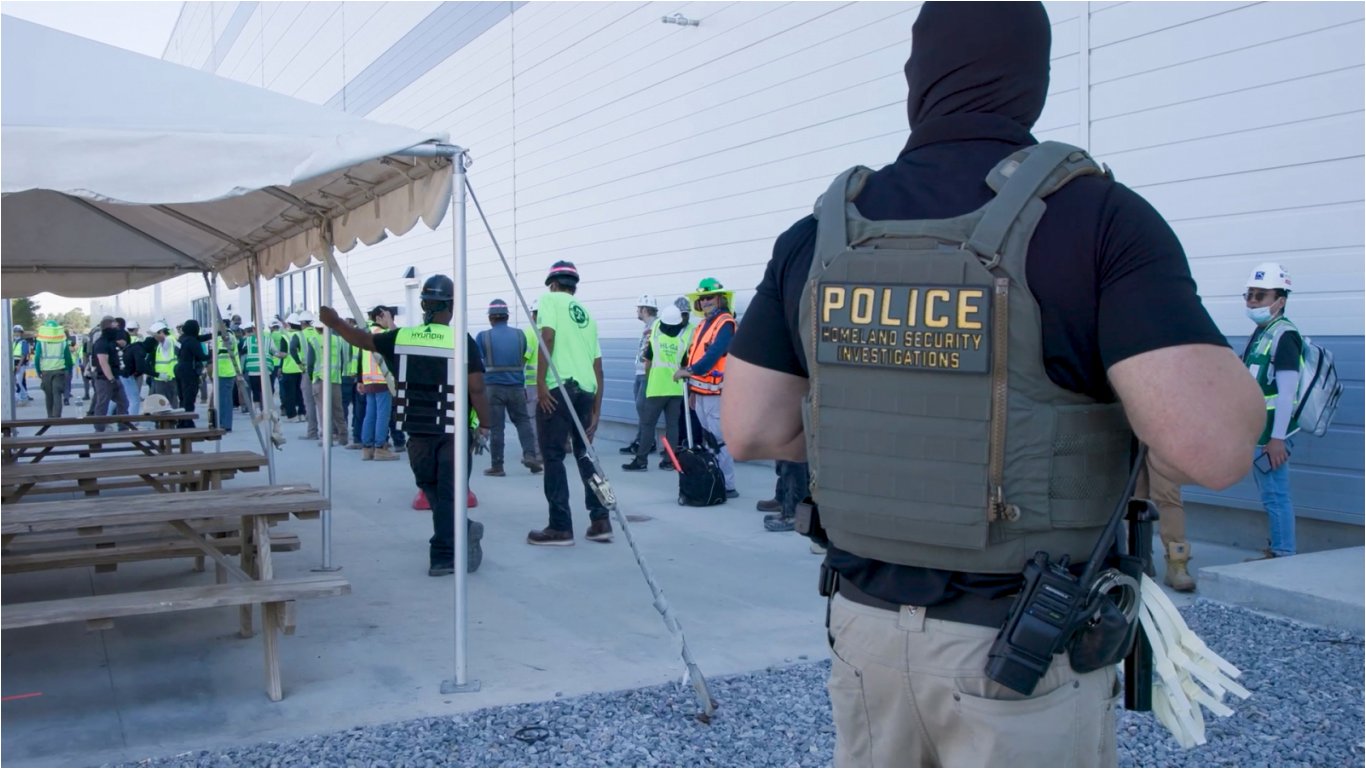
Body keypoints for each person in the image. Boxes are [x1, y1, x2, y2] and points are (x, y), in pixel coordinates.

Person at [719, 5, 1265, 766]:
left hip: (864, 632)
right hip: (1025, 650)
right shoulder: (1100, 219)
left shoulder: (818, 235)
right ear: (1033, 81)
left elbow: (751, 429)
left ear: (916, 79)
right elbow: (1212, 449)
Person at [319, 275, 491, 576]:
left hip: (417, 432)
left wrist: (334, 322)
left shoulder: (402, 337)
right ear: (451, 307)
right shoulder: (461, 340)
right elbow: (476, 388)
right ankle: (454, 541)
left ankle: (444, 551)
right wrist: (486, 425)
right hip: (452, 432)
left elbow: (362, 339)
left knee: (432, 488)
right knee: (450, 492)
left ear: (423, 305)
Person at [527, 260, 611, 546]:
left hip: (558, 389)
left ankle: (560, 526)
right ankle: (601, 520)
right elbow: (598, 366)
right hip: (586, 392)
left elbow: (547, 337)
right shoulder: (587, 316)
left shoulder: (549, 300)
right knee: (587, 457)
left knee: (552, 457)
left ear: (552, 284)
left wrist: (540, 382)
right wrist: (597, 410)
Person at [1241, 261, 1302, 560]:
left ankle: (1283, 554)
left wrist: (1277, 439)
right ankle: (1277, 549)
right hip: (1261, 431)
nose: (1252, 301)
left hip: (1273, 436)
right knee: (1271, 494)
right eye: (1249, 294)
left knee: (1276, 495)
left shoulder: (1284, 335)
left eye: (1260, 295)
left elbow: (1287, 393)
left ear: (1280, 300)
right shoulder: (1262, 331)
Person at [675, 277, 740, 499]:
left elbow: (713, 355)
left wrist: (690, 371)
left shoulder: (725, 323)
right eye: (702, 299)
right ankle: (713, 479)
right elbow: (695, 354)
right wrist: (693, 389)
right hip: (702, 392)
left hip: (717, 393)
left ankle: (727, 484)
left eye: (709, 297)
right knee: (708, 438)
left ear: (720, 298)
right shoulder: (703, 324)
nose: (705, 302)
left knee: (718, 440)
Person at [476, 299, 542, 476]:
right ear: (506, 316)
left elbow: (478, 364)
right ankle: (530, 455)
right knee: (523, 421)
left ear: (491, 318)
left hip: (493, 388)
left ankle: (497, 466)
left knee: (497, 426)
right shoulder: (520, 335)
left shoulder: (483, 337)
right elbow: (522, 357)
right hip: (517, 387)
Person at [623, 302, 688, 471]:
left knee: (647, 424)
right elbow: (684, 366)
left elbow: (647, 364)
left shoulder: (655, 341)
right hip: (675, 390)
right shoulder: (682, 343)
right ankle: (668, 461)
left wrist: (650, 379)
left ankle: (641, 461)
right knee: (672, 426)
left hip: (657, 389)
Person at [1134, 456, 1195, 590]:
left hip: (1161, 444)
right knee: (1134, 496)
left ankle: (1177, 564)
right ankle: (1138, 558)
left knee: (1168, 495)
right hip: (1126, 442)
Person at [621, 295, 659, 457]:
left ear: (645, 309)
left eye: (638, 308)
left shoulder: (656, 325)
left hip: (646, 373)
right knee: (641, 409)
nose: (637, 311)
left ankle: (647, 443)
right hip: (640, 372)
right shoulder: (648, 326)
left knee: (643, 408)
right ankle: (641, 440)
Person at [90, 316, 128, 431]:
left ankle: (123, 427)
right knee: (102, 405)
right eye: (114, 327)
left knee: (123, 402)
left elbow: (122, 345)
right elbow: (103, 363)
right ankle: (99, 429)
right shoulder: (101, 343)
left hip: (114, 377)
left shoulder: (111, 342)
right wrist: (111, 379)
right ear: (108, 328)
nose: (117, 329)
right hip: (104, 379)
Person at [175, 319, 211, 428]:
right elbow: (202, 356)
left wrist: (212, 335)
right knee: (189, 397)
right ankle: (188, 421)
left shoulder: (182, 339)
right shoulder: (192, 341)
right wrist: (212, 353)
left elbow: (198, 338)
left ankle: (181, 421)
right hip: (189, 370)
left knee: (182, 397)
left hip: (179, 368)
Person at [33, 319, 71, 418]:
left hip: (46, 372)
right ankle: (57, 416)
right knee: (57, 393)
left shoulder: (41, 342)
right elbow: (68, 358)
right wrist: (69, 370)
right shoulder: (63, 342)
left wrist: (38, 371)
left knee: (49, 395)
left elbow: (36, 358)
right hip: (59, 371)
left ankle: (50, 417)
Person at [147, 321, 180, 409]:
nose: (154, 338)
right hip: (162, 377)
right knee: (163, 401)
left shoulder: (169, 340)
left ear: (161, 332)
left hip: (168, 377)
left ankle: (172, 416)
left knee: (168, 401)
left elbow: (165, 341)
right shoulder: (164, 342)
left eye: (155, 335)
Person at [12, 324, 32, 403]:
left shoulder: (23, 342)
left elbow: (24, 355)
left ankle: (21, 397)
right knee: (17, 381)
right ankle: (23, 396)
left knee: (18, 381)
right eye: (15, 332)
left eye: (18, 332)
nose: (16, 333)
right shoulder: (13, 342)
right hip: (13, 363)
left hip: (20, 363)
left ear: (21, 333)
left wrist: (19, 366)